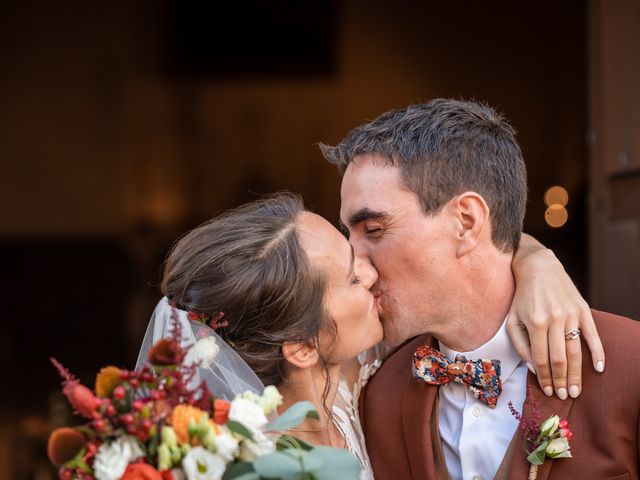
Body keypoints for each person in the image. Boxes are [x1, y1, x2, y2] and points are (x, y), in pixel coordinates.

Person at [138, 191, 605, 480]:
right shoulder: (256, 465)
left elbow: (463, 246)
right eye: (350, 277)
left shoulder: (352, 375)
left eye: (355, 245)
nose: (368, 267)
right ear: (303, 347)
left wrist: (538, 260)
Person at [321, 98, 639, 479]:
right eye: (349, 234)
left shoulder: (630, 368)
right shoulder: (378, 394)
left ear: (467, 222)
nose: (357, 266)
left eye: (373, 230)